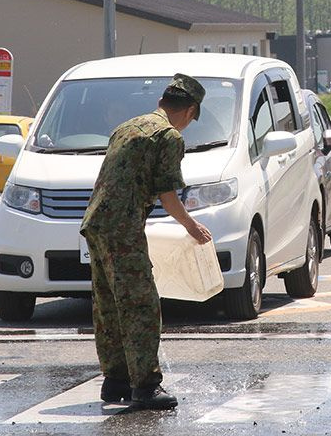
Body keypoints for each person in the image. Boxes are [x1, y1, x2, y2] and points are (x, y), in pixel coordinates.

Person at [79, 73, 213, 411]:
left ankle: (116, 380)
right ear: (190, 110)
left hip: (96, 223)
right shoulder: (168, 136)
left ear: (161, 103)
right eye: (191, 120)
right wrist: (191, 226)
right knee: (140, 305)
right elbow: (167, 194)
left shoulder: (128, 126)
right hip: (123, 227)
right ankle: (146, 386)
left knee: (108, 305)